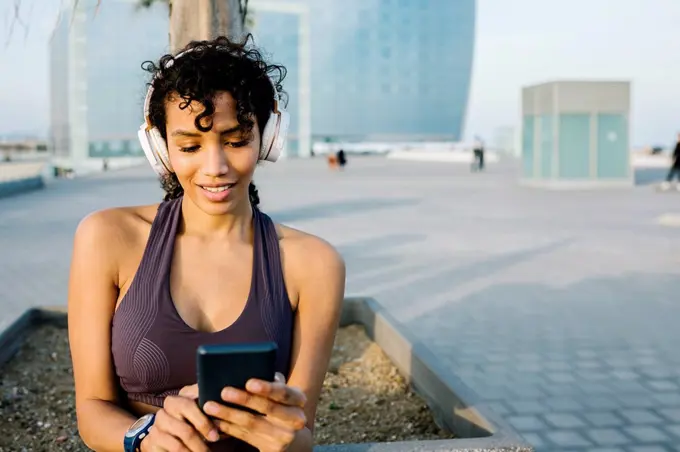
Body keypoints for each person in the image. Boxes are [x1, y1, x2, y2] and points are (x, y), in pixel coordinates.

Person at [67, 35, 346, 452]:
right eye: (190, 146)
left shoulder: (314, 263)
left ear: (267, 138)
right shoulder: (108, 238)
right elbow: (92, 409)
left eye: (235, 141)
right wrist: (145, 435)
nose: (214, 168)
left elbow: (303, 432)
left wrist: (288, 437)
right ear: (161, 149)